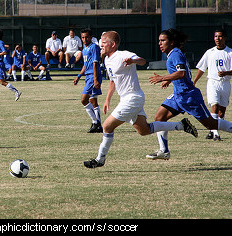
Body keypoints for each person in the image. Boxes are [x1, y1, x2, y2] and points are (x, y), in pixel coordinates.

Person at [83, 31, 198, 169]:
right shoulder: (107, 60)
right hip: (127, 99)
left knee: (107, 127)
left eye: (103, 42)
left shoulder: (122, 55)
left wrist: (133, 61)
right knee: (144, 130)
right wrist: (107, 100)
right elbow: (113, 81)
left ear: (112, 44)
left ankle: (99, 160)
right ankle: (181, 125)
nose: (100, 45)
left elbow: (143, 61)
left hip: (133, 98)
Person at [147, 28, 232, 160]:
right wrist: (169, 79)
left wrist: (163, 78)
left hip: (189, 97)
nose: (160, 43)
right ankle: (164, 151)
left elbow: (182, 73)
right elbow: (180, 73)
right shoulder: (173, 54)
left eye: (163, 40)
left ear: (172, 42)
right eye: (159, 41)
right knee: (159, 117)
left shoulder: (175, 54)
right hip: (178, 95)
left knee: (211, 124)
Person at [193, 29, 232, 141]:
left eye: (220, 37)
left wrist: (226, 73)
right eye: (215, 37)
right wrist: (194, 81)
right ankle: (216, 133)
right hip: (212, 82)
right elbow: (202, 68)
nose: (217, 39)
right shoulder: (210, 52)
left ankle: (212, 130)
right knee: (214, 105)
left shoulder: (230, 52)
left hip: (225, 83)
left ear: (225, 38)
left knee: (222, 111)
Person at [73, 28, 103, 133]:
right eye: (82, 37)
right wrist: (79, 76)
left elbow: (95, 63)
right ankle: (98, 126)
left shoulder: (94, 47)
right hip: (88, 76)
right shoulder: (84, 50)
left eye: (86, 37)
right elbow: (86, 65)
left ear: (91, 37)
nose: (84, 39)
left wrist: (95, 79)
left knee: (83, 99)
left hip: (93, 77)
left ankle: (95, 122)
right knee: (93, 101)